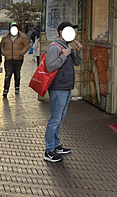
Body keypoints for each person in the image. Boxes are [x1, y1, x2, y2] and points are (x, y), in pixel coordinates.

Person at [44, 22, 83, 163]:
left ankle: (55, 145)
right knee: (54, 119)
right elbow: (49, 66)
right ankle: (49, 150)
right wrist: (63, 56)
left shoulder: (68, 47)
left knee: (60, 118)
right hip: (58, 88)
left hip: (66, 87)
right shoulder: (54, 47)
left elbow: (76, 63)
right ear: (61, 32)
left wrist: (78, 51)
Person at [0, 24, 30, 97]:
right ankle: (5, 89)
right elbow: (1, 46)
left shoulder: (22, 37)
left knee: (17, 74)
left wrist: (21, 53)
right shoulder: (5, 38)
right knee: (8, 74)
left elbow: (27, 46)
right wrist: (4, 52)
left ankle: (17, 87)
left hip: (18, 59)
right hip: (8, 59)